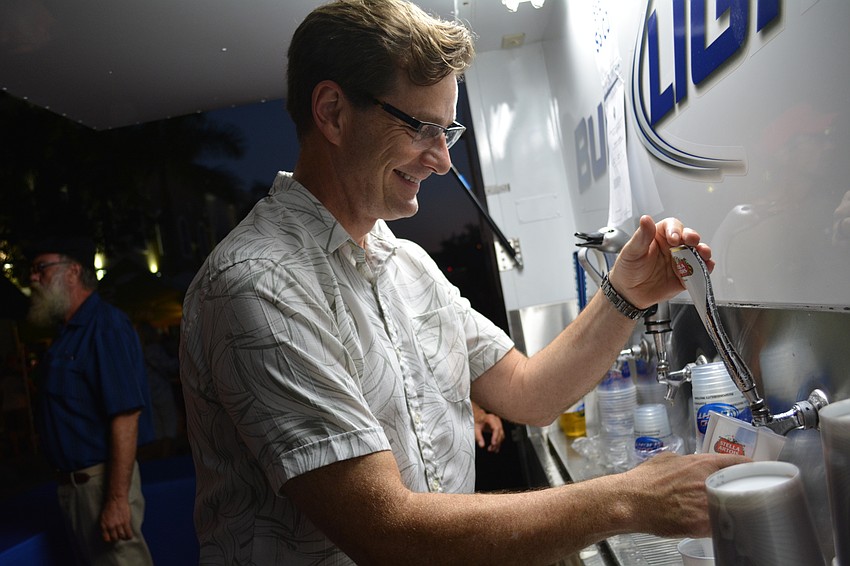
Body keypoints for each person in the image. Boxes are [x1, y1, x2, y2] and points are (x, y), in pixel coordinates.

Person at [178, 1, 749, 563]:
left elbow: (529, 392)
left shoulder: (406, 264)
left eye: (446, 132)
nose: (442, 161)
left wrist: (626, 293)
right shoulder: (258, 285)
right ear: (332, 112)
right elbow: (386, 534)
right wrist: (629, 499)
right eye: (423, 128)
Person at [26, 235, 154, 566]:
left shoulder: (105, 325)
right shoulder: (68, 333)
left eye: (41, 268)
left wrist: (116, 499)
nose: (33, 277)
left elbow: (126, 416)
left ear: (72, 271)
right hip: (74, 488)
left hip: (101, 484)